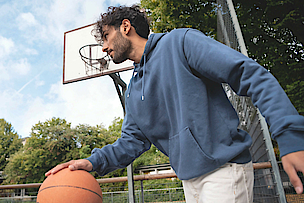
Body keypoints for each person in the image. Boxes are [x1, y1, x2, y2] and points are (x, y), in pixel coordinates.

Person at [46, 5, 304, 202]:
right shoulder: (134, 90)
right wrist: (92, 162)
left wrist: (289, 135)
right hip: (189, 181)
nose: (103, 47)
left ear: (125, 27)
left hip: (223, 170)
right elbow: (132, 141)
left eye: (105, 36)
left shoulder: (180, 42)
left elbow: (249, 74)